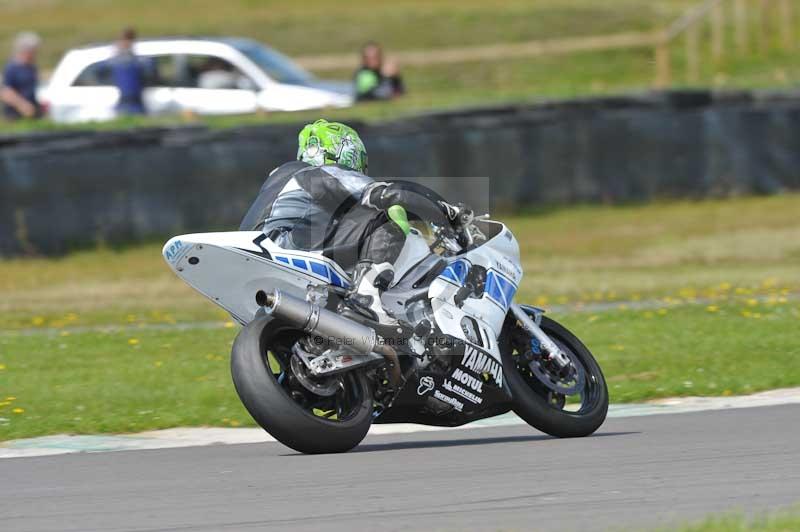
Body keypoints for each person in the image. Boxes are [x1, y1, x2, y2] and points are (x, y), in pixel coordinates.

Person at [240, 119, 458, 324]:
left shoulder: (281, 178)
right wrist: (445, 212)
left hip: (251, 256)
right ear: (345, 151)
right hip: (285, 246)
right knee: (387, 215)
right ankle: (367, 297)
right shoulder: (322, 171)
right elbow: (388, 194)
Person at [2, 32, 42, 120]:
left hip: (32, 111)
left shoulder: (32, 67)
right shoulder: (12, 68)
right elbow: (6, 92)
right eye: (33, 51)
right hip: (14, 114)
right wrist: (22, 105)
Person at [108, 27, 148, 115]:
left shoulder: (135, 59)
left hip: (135, 100)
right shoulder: (118, 60)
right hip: (123, 99)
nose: (127, 43)